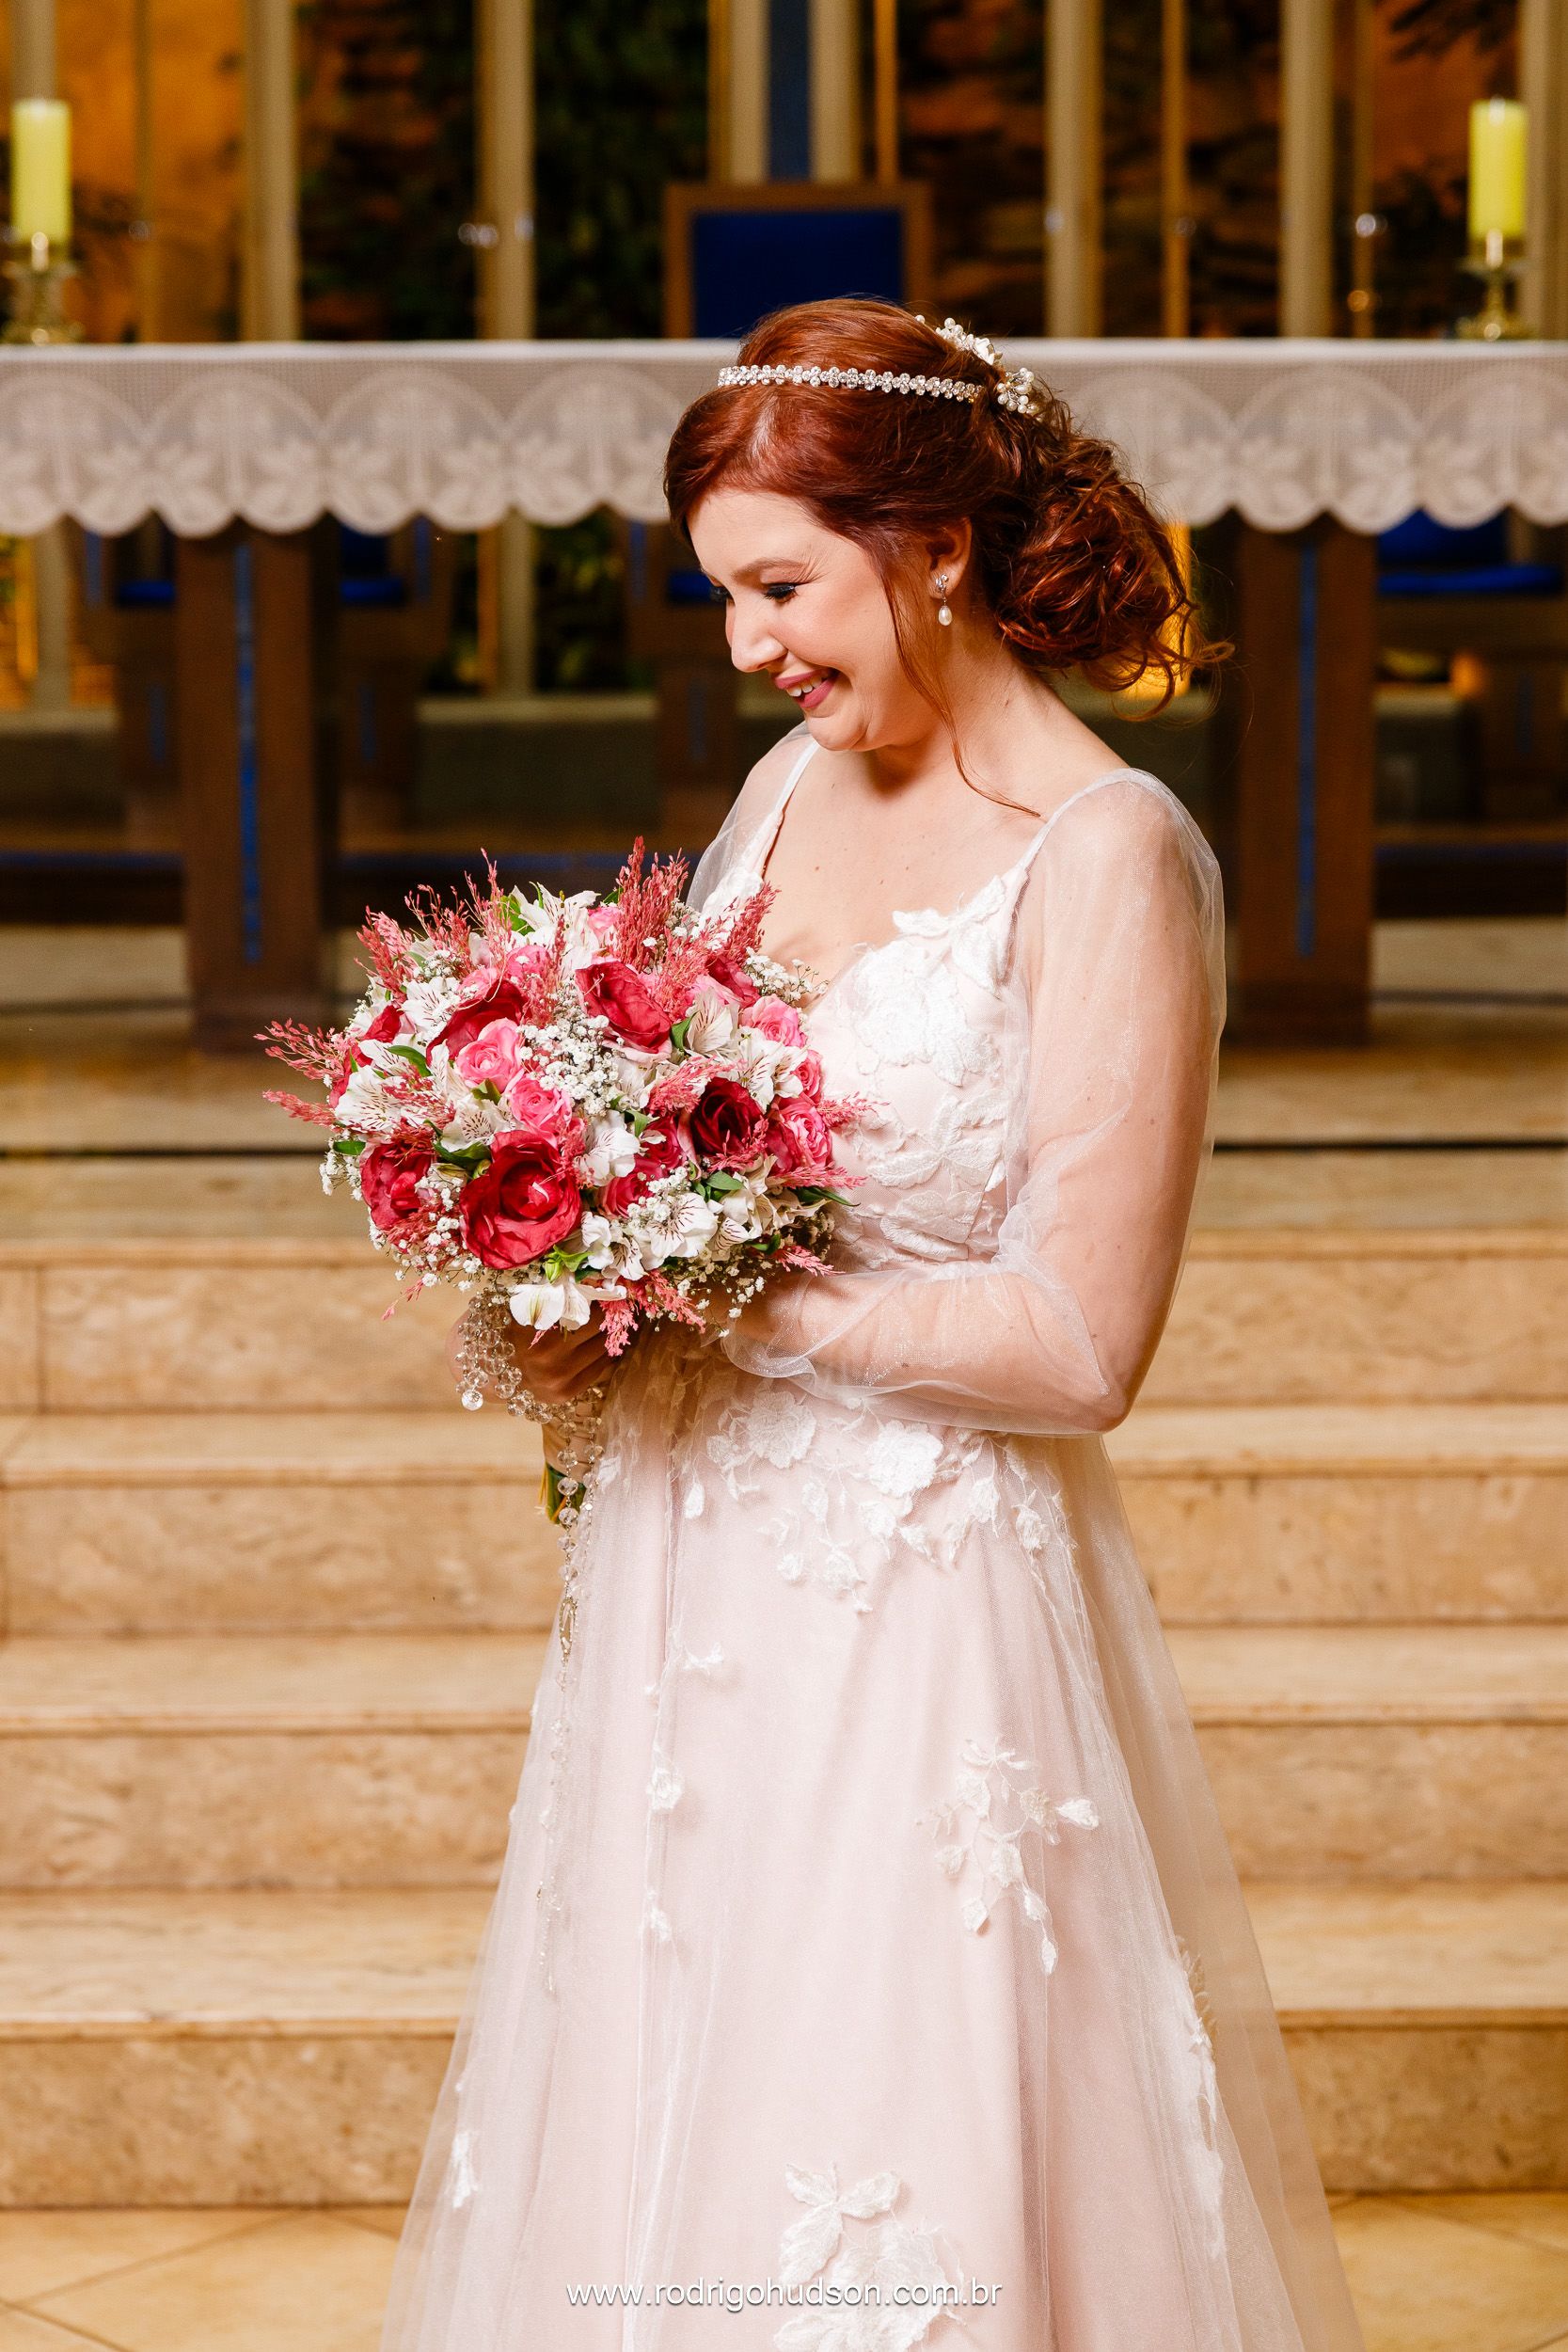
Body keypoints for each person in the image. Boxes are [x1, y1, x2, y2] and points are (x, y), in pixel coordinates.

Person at [379, 300, 1366, 2352]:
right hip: (692, 1565)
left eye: (779, 586)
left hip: (922, 1596)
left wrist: (732, 1299)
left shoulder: (1106, 860)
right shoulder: (787, 787)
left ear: (928, 545)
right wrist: (585, 1265)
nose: (749, 643)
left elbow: (1084, 1344)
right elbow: (702, 1144)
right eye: (727, 593)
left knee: (891, 2088)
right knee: (678, 2049)